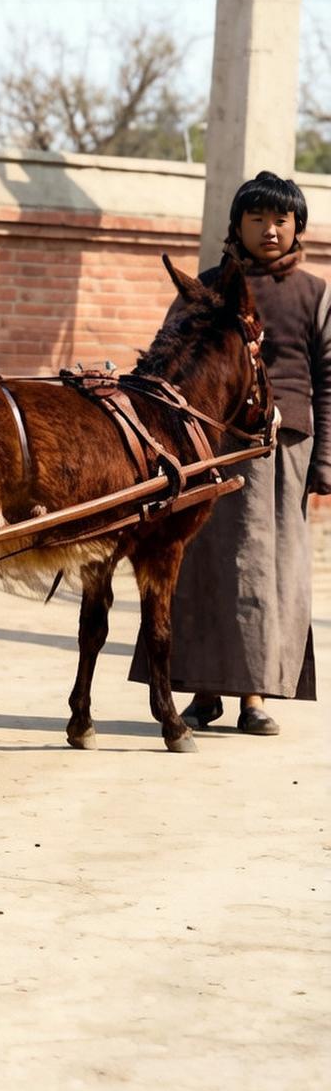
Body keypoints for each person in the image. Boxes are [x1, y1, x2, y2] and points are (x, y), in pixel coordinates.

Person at [135, 171, 330, 735]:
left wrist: (324, 461)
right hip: (207, 447)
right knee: (199, 567)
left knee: (263, 569)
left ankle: (253, 697)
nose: (269, 230)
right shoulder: (206, 288)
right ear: (237, 225)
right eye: (257, 219)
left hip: (281, 450)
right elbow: (167, 364)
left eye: (281, 220)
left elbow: (328, 379)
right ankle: (203, 693)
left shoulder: (314, 293)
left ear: (297, 227)